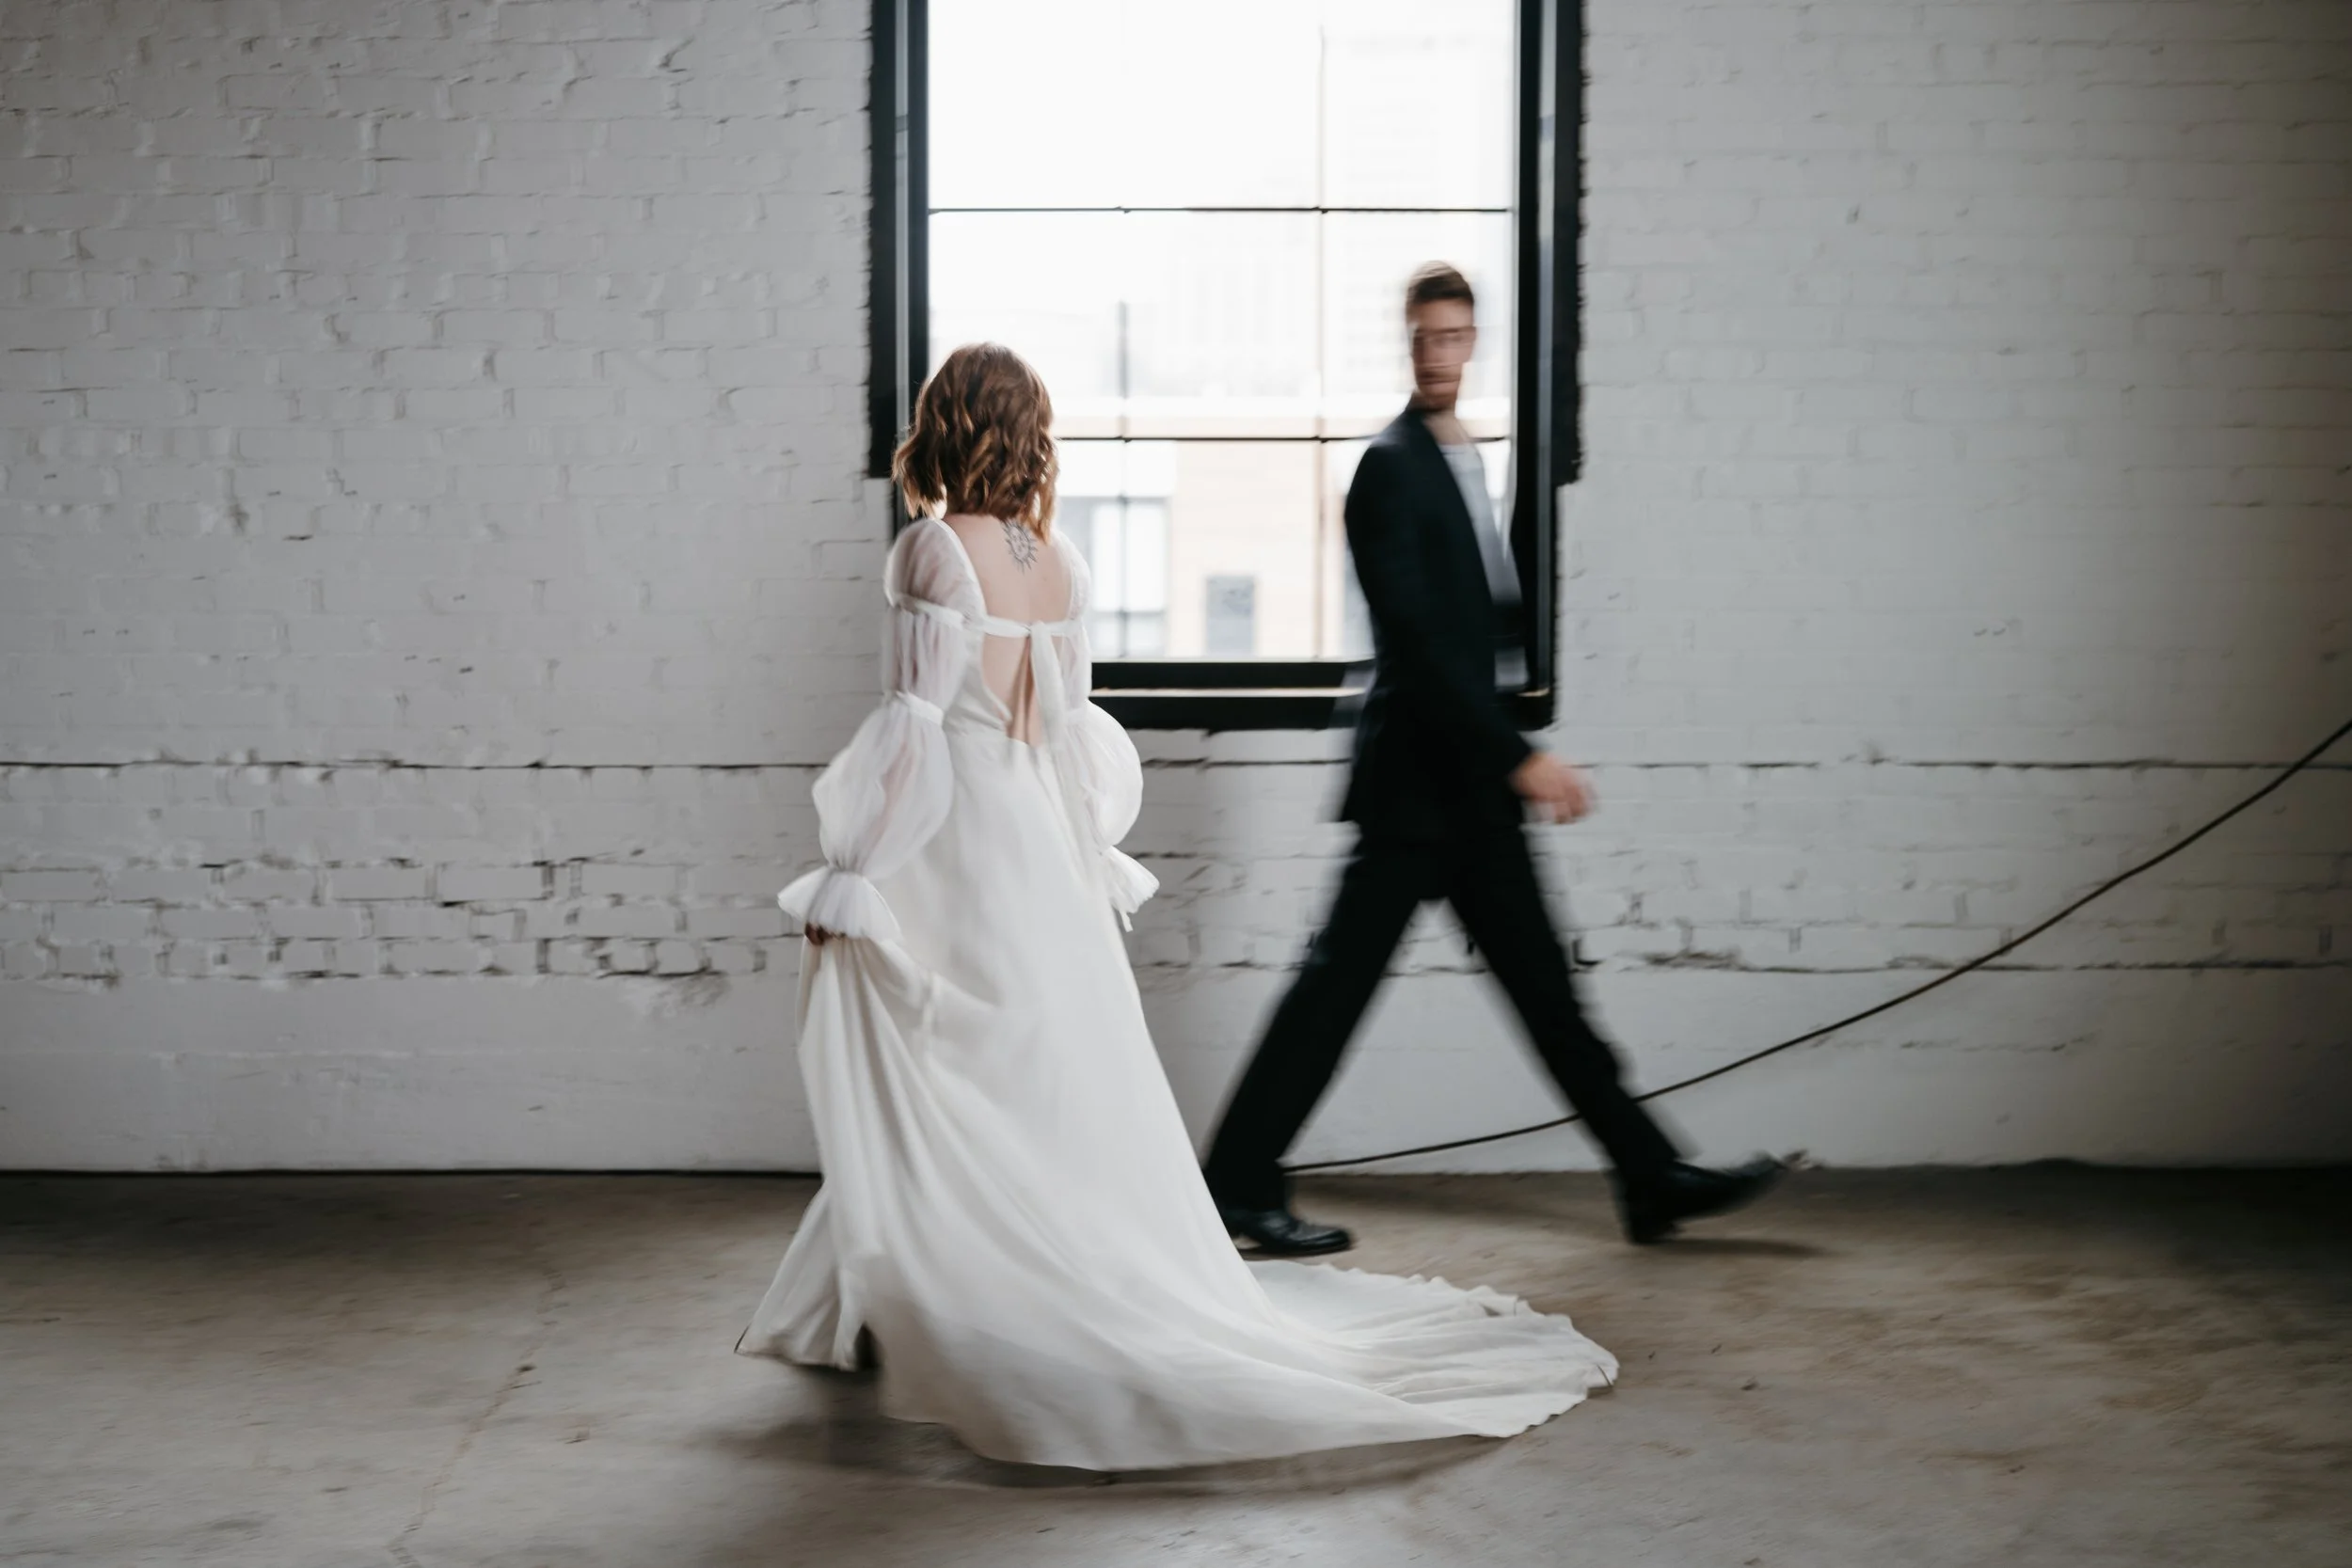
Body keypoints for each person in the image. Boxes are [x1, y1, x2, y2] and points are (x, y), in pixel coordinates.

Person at [741, 342, 1617, 1470]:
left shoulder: (929, 548)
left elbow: (912, 729)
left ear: (943, 425)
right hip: (1039, 842)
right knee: (1034, 1071)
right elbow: (1065, 733)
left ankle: (928, 1292)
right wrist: (1083, 850)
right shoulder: (1056, 559)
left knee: (933, 1058)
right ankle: (885, 1292)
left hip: (955, 839)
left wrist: (853, 867)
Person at [1202, 263, 1784, 1258]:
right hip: (1418, 793)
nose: (1439, 355)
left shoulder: (1460, 456)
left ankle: (1649, 1177)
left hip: (1466, 793)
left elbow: (1483, 632)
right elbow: (1419, 645)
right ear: (1404, 341)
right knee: (1330, 994)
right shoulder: (1388, 466)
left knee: (1551, 997)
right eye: (1425, 337)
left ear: (1474, 342)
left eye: (1455, 337)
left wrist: (1505, 749)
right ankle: (1235, 1185)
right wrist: (1519, 756)